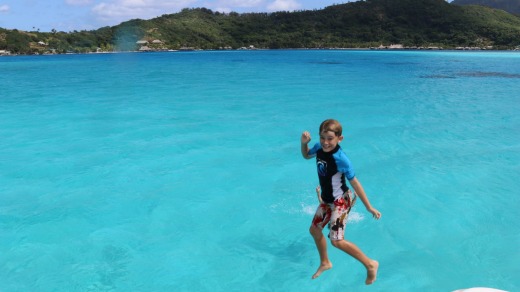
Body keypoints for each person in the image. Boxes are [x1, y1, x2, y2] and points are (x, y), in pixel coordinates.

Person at [300, 119, 381, 285]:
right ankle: (325, 262)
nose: (325, 142)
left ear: (339, 138)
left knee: (337, 241)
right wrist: (303, 144)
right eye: (322, 137)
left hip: (340, 201)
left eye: (330, 138)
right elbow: (307, 156)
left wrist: (369, 207)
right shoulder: (319, 148)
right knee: (314, 230)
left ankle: (370, 264)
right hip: (328, 200)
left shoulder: (341, 159)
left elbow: (355, 183)